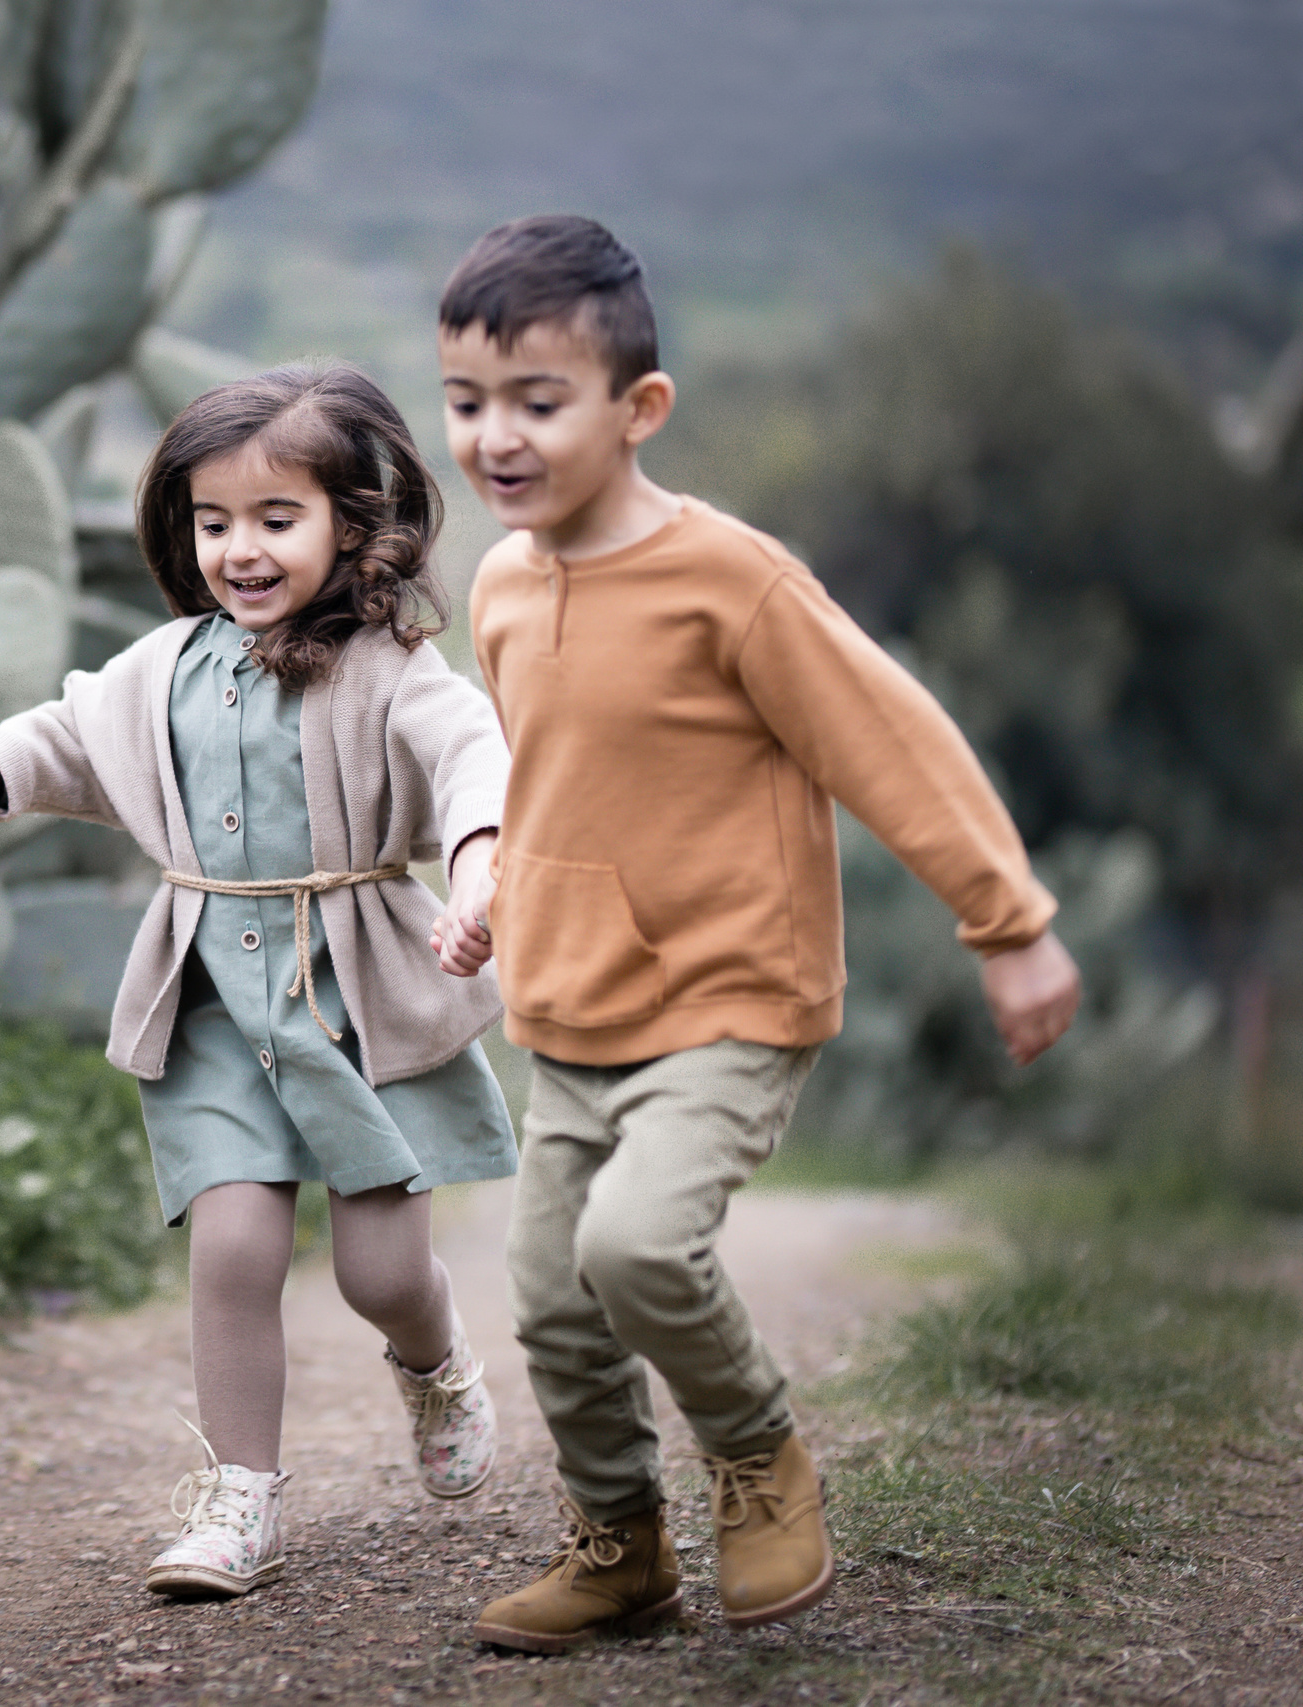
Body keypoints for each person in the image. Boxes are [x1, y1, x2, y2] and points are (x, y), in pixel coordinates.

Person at [428, 214, 1083, 1651]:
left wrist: (1007, 919)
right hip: (572, 1002)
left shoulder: (731, 579)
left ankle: (757, 1454)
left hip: (729, 993)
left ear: (637, 408)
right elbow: (549, 773)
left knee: (641, 1243)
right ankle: (621, 1546)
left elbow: (887, 740)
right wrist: (493, 890)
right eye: (469, 403)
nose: (497, 437)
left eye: (539, 401)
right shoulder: (501, 583)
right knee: (551, 1291)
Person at [0, 363, 520, 1598]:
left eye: (275, 519)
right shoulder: (162, 670)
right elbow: (69, 734)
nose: (239, 550)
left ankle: (435, 1361)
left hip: (357, 997)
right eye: (212, 523)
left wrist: (477, 864)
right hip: (210, 1007)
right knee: (234, 1252)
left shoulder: (389, 669)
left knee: (377, 1273)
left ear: (351, 526)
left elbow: (470, 755)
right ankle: (235, 1496)